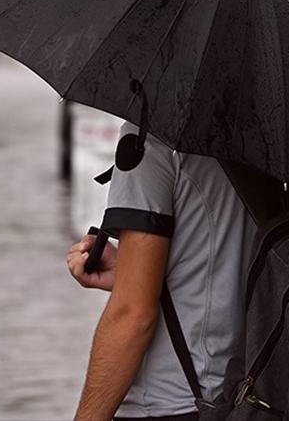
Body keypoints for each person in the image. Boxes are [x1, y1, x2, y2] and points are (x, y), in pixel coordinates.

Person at [64, 123, 256, 421]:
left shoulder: (149, 140)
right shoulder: (266, 138)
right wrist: (130, 273)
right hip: (246, 396)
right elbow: (235, 265)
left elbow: (133, 315)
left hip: (168, 403)